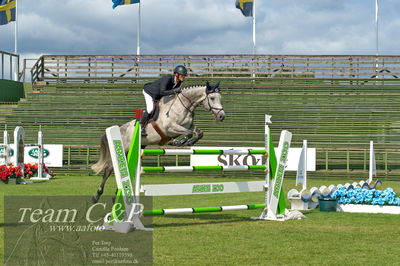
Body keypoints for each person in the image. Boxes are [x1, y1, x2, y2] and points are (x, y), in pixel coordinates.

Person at [141, 65, 188, 136]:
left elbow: (171, 93)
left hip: (159, 95)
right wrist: (174, 90)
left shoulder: (179, 82)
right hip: (149, 92)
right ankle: (141, 128)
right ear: (176, 74)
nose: (184, 77)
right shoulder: (167, 78)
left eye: (184, 75)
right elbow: (162, 92)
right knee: (150, 109)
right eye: (182, 75)